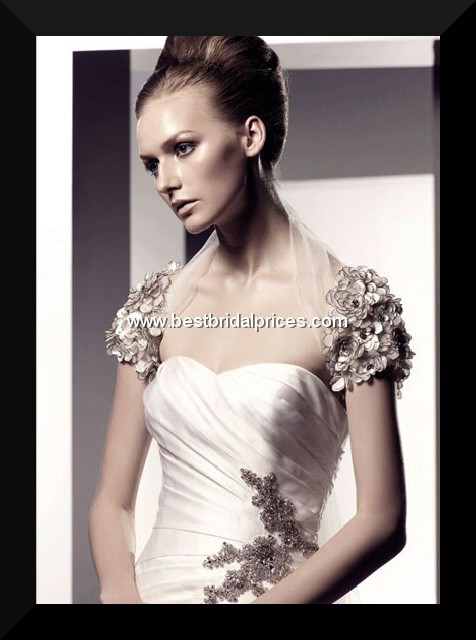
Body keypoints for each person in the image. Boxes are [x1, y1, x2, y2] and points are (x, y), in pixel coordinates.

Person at [88, 36, 414, 605]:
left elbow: (381, 521)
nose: (165, 181)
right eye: (152, 163)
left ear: (250, 135)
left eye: (183, 148)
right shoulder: (155, 308)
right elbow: (111, 504)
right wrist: (120, 593)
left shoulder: (348, 306)